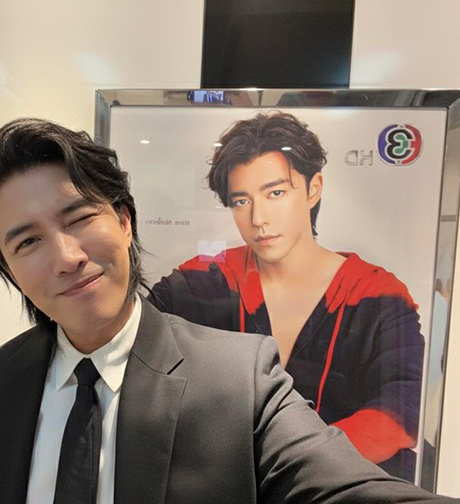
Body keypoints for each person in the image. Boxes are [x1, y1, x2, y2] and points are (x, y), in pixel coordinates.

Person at [0, 117, 459, 504]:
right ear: (7, 268)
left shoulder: (239, 383)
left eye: (79, 218)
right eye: (27, 242)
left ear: (124, 221)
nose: (67, 257)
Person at [149, 111, 424, 482]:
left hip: (337, 497)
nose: (258, 218)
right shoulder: (205, 279)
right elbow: (134, 340)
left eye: (275, 193)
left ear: (313, 189)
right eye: (241, 201)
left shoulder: (376, 294)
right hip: (225, 497)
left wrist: (288, 465)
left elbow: (402, 409)